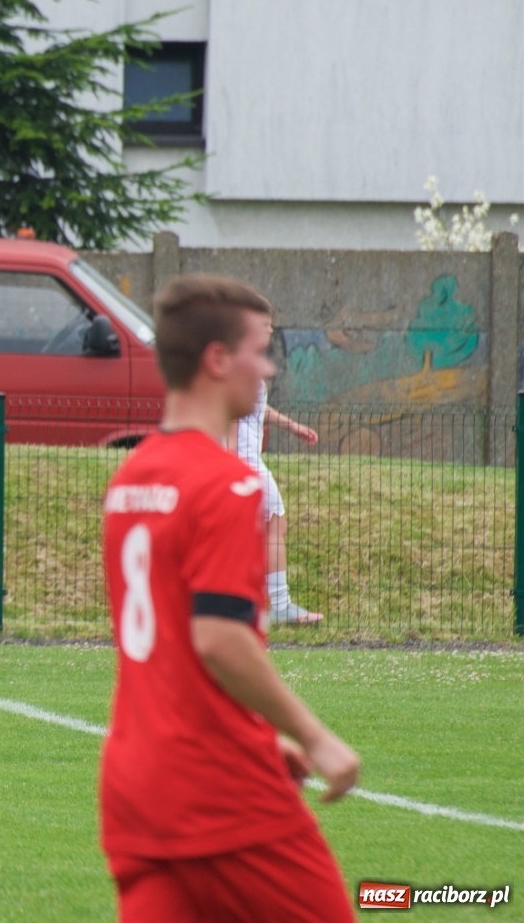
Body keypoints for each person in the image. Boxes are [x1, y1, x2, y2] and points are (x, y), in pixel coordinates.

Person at [100, 274, 359, 922]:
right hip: (220, 791)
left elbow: (165, 645)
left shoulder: (131, 480)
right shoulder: (227, 486)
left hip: (137, 783)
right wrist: (312, 734)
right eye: (257, 351)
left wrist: (261, 741)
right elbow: (219, 637)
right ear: (217, 360)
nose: (267, 366)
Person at [232, 382, 323, 626]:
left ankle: (247, 603)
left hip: (240, 464)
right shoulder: (236, 368)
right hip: (245, 466)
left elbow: (258, 406)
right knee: (274, 526)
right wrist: (229, 469)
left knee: (264, 529)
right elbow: (231, 413)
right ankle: (279, 605)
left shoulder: (234, 368)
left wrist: (292, 426)